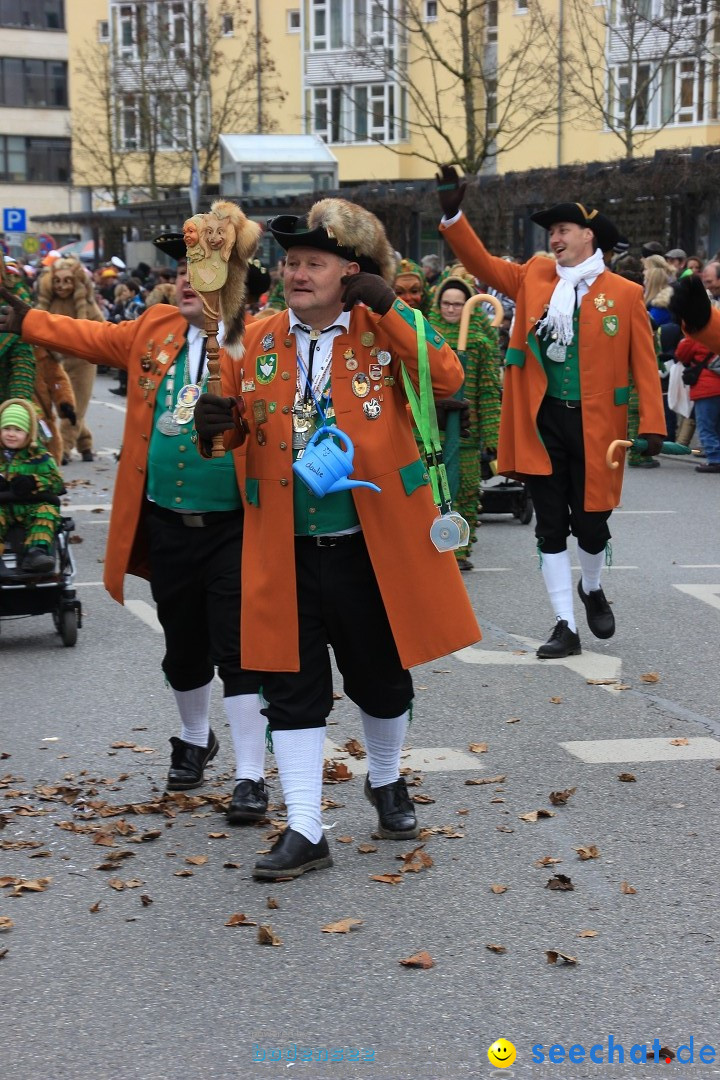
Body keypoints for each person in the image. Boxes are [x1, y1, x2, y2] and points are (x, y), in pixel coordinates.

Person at [194, 197, 481, 880]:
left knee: (381, 681)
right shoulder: (256, 335)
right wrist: (217, 425)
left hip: (369, 546)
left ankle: (385, 779)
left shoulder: (379, 331)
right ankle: (304, 826)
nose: (296, 273)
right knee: (291, 689)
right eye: (290, 262)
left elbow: (447, 377)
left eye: (312, 263)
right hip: (283, 549)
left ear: (348, 272)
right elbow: (234, 431)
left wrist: (393, 309)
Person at [0, 233, 268, 822]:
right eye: (181, 271)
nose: (184, 283)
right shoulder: (155, 327)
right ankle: (196, 740)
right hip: (168, 524)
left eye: (201, 273)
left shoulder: (257, 341)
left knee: (240, 649)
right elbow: (92, 338)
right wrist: (27, 320)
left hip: (236, 526)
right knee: (183, 642)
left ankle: (251, 774)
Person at [436, 166, 666, 658]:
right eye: (551, 232)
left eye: (563, 230)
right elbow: (478, 261)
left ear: (589, 235)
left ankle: (593, 586)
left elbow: (645, 364)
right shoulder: (532, 276)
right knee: (549, 526)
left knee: (592, 525)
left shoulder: (623, 295)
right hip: (541, 424)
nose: (554, 239)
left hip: (597, 429)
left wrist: (651, 424)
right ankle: (565, 623)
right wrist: (453, 214)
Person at [428, 265, 501, 570]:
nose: (452, 309)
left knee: (467, 490)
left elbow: (489, 393)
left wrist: (493, 437)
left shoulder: (481, 344)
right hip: (430, 432)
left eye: (458, 304)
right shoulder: (425, 340)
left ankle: (459, 550)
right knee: (431, 490)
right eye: (447, 303)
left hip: (468, 437)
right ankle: (433, 548)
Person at [35, 256, 104, 464]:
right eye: (57, 281)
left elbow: (103, 329)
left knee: (77, 408)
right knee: (66, 406)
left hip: (83, 362)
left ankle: (64, 448)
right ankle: (85, 442)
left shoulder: (86, 305)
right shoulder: (48, 304)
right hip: (57, 361)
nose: (62, 286)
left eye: (67, 281)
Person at [0, 398, 63, 573]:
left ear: (29, 434)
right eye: (6, 428)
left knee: (47, 511)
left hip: (31, 505)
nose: (11, 434)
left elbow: (57, 483)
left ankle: (36, 553)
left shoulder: (40, 457)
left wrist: (34, 481)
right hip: (4, 505)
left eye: (18, 430)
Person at [675, 335, 720, 473]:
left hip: (707, 388)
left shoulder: (699, 335)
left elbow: (681, 354)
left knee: (706, 426)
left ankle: (715, 459)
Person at [32, 347, 77, 465]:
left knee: (49, 457)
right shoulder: (6, 349)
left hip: (42, 420)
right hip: (10, 417)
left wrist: (65, 402)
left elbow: (57, 380)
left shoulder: (43, 355)